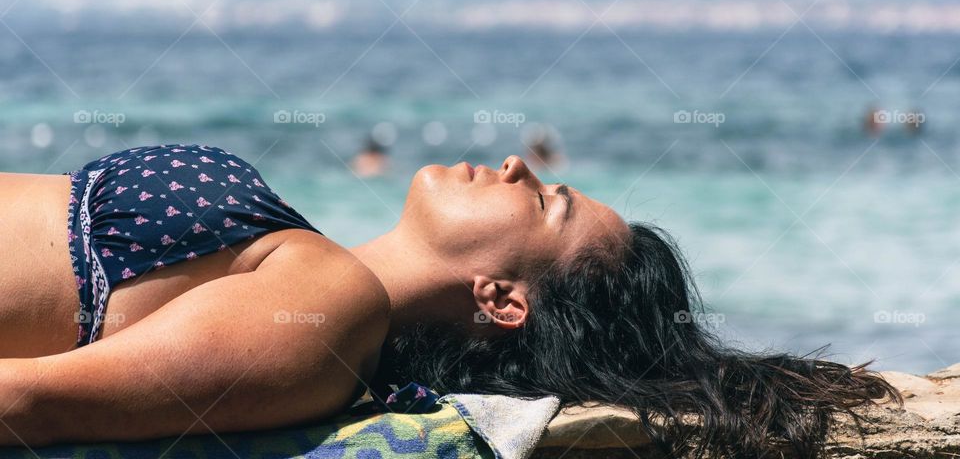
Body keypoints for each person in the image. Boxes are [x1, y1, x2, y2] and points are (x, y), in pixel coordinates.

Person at [0, 144, 900, 457]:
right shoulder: (309, 271)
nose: (517, 164)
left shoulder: (329, 318)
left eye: (544, 201)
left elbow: (30, 403)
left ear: (503, 299)